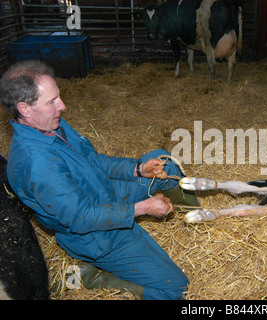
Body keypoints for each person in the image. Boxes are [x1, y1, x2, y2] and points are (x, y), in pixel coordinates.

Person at [0, 60, 198, 300]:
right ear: (25, 109)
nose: (62, 106)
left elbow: (95, 161)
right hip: (98, 234)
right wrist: (143, 207)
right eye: (52, 102)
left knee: (162, 161)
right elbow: (81, 218)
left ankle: (199, 221)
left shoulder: (53, 126)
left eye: (58, 97)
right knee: (176, 288)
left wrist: (138, 169)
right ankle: (91, 278)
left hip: (106, 192)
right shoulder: (36, 163)